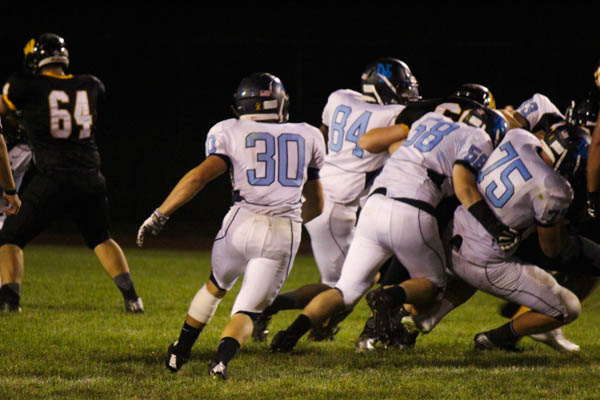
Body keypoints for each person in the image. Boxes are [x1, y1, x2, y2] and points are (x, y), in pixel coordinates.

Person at [269, 88, 513, 353]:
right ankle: (389, 297)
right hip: (412, 209)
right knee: (433, 284)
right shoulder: (475, 137)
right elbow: (464, 187)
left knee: (344, 291)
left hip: (374, 206)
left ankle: (289, 335)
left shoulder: (427, 122)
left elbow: (390, 147)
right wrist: (496, 227)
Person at [137, 72, 325, 380]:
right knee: (247, 310)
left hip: (240, 223)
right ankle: (221, 361)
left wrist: (160, 214)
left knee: (215, 287)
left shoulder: (228, 130)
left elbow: (198, 177)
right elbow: (317, 204)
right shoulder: (309, 134)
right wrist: (292, 223)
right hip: (284, 229)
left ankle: (179, 352)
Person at [251, 57, 420, 343]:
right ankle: (281, 315)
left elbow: (324, 137)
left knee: (344, 282)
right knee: (347, 285)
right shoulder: (393, 113)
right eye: (403, 86)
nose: (408, 93)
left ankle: (307, 321)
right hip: (334, 208)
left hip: (327, 196)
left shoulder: (340, 98)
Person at [0, 33, 143, 313]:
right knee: (101, 237)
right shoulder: (90, 84)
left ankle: (9, 302)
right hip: (90, 176)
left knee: (10, 238)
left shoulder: (25, 86)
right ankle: (132, 299)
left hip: (53, 176)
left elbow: (6, 107)